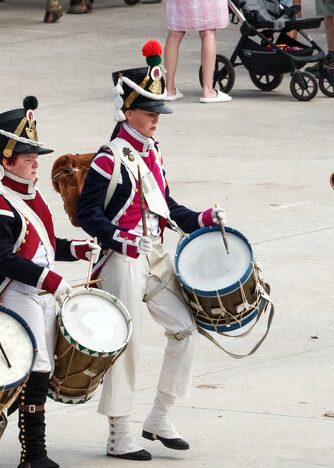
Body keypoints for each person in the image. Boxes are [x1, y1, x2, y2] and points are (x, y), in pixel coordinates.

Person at [74, 41, 230, 460]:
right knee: (127, 343)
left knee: (187, 328)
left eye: (158, 111)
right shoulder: (110, 158)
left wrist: (201, 218)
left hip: (154, 254)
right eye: (148, 111)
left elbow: (167, 206)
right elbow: (86, 213)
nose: (156, 119)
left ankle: (160, 415)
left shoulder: (152, 151)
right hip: (121, 259)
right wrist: (120, 239)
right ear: (127, 112)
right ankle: (118, 432)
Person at [0, 97, 98, 468]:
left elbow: (43, 245)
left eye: (35, 158)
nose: (36, 165)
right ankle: (33, 454)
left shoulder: (34, 194)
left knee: (32, 370)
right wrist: (51, 278)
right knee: (37, 368)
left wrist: (76, 249)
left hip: (41, 292)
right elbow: (4, 260)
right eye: (28, 159)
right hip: (13, 295)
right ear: (5, 161)